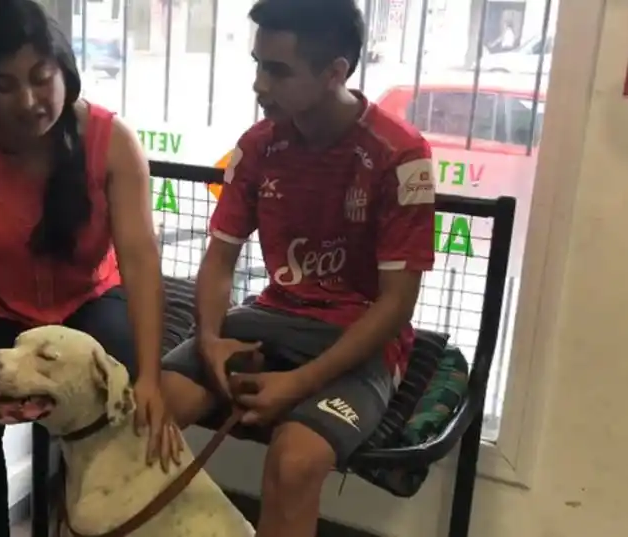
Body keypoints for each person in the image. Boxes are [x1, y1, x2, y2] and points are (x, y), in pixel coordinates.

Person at [160, 1, 435, 537]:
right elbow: (219, 260)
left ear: (335, 72)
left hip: (360, 340)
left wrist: (298, 384)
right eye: (257, 65)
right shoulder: (257, 145)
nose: (259, 85)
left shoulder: (401, 155)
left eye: (278, 71)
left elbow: (397, 303)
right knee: (148, 413)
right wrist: (210, 340)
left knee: (294, 462)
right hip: (270, 317)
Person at [0, 2, 179, 536]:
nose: (28, 102)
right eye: (4, 86)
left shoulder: (113, 140)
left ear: (65, 70)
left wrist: (151, 378)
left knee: (123, 400)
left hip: (88, 299)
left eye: (41, 78)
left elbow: (139, 260)